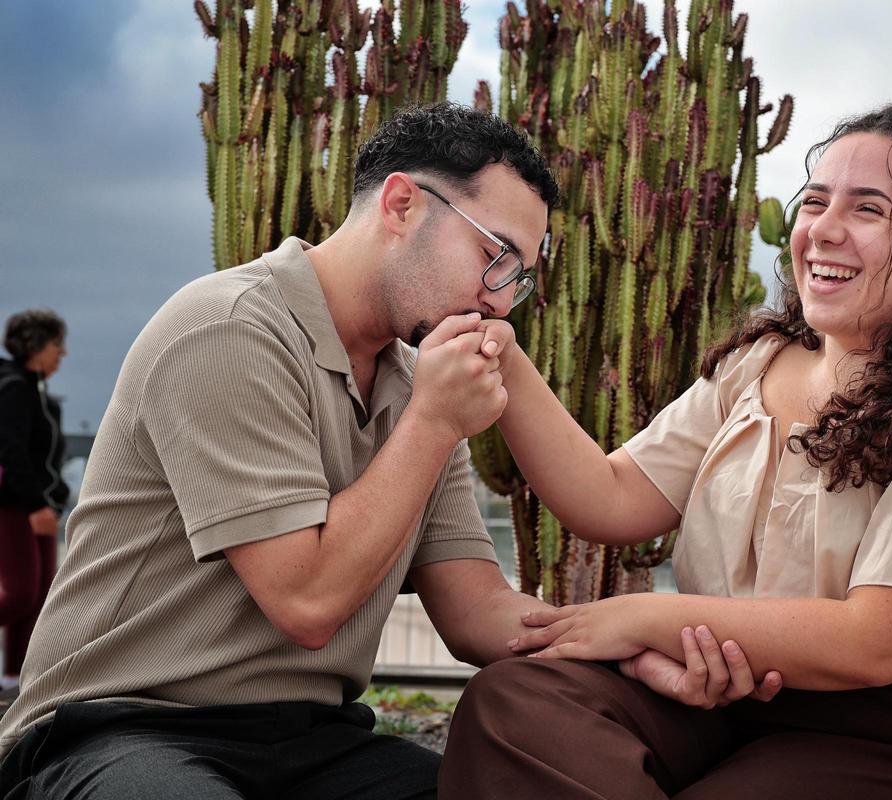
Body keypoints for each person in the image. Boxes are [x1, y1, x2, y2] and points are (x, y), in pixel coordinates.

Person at [0, 104, 777, 800]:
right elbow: (306, 605)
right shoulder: (228, 328)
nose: (499, 301)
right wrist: (434, 422)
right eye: (495, 255)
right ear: (402, 204)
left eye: (520, 279)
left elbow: (476, 613)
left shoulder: (414, 382)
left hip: (311, 740)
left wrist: (634, 649)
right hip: (119, 726)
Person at [439, 100, 892, 799]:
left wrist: (642, 620)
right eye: (815, 202)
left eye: (868, 210)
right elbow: (611, 499)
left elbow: (875, 641)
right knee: (515, 704)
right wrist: (501, 352)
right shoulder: (756, 365)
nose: (824, 229)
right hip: (726, 701)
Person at [0, 310, 69, 691]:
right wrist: (35, 506)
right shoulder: (14, 388)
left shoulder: (35, 390)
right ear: (35, 344)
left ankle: (14, 678)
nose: (63, 352)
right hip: (16, 507)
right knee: (21, 594)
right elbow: (11, 454)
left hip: (38, 505)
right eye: (57, 343)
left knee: (39, 596)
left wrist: (51, 500)